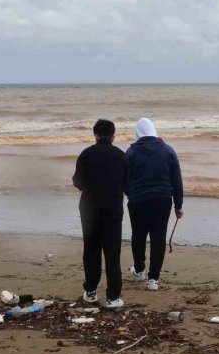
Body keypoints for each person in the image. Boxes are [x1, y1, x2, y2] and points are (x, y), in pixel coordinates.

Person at [72, 119, 127, 309]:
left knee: (91, 249)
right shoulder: (121, 155)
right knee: (113, 252)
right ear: (113, 136)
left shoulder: (86, 154)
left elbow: (77, 181)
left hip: (89, 208)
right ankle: (113, 297)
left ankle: (91, 291)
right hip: (112, 208)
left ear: (95, 135)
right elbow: (128, 183)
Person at [126, 117, 183, 291]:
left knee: (138, 235)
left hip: (138, 200)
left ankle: (139, 270)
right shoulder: (168, 150)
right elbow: (176, 180)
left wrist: (131, 193)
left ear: (138, 133)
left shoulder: (130, 153)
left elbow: (125, 179)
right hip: (162, 199)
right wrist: (178, 205)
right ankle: (154, 279)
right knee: (159, 238)